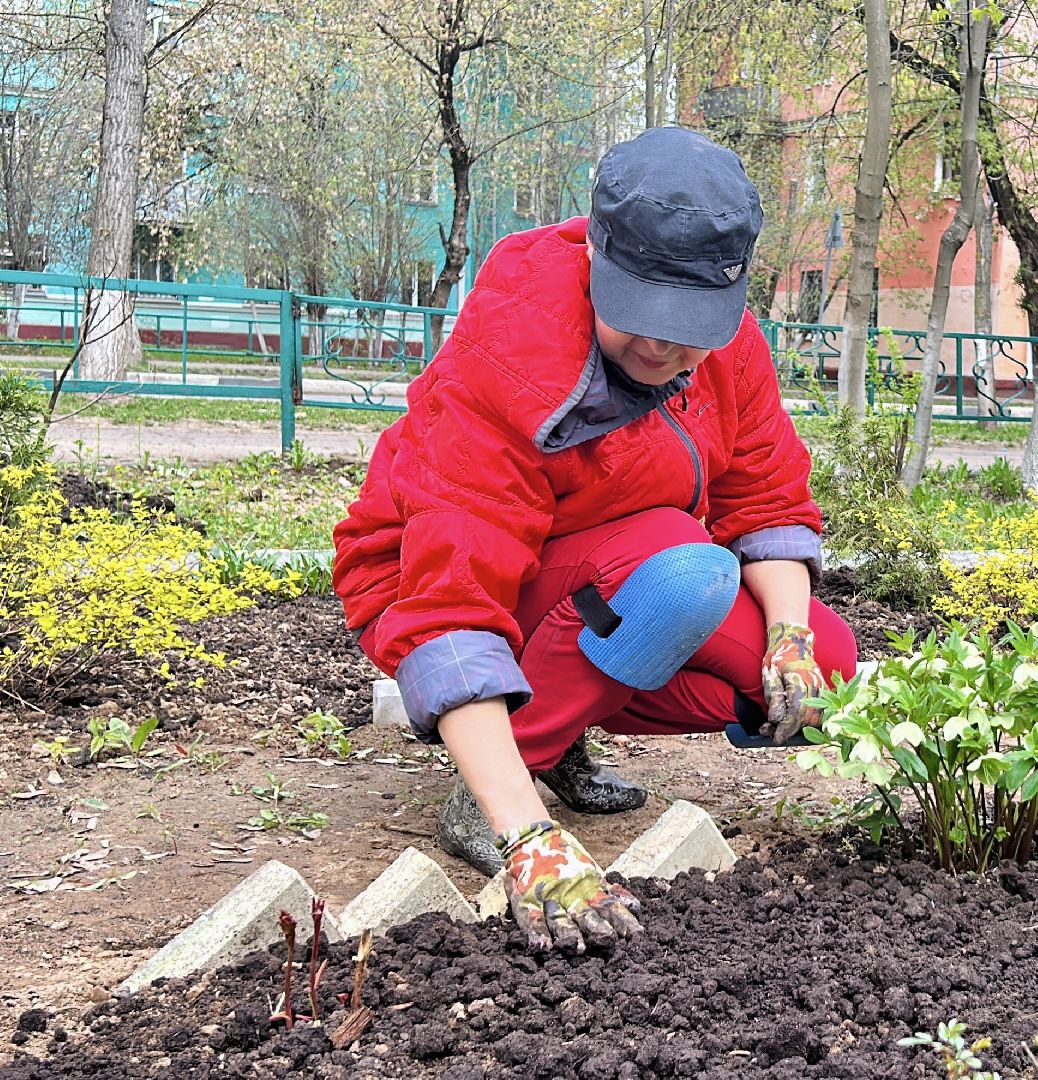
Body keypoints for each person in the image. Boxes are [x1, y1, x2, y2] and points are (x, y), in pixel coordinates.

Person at [332, 126, 858, 955]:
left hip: (617, 568)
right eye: (639, 313)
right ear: (597, 260)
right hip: (436, 574)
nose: (661, 345)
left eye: (689, 323)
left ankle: (560, 726)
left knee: (822, 663)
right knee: (679, 572)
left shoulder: (731, 351)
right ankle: (501, 789)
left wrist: (789, 637)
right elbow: (450, 600)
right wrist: (527, 839)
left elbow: (764, 493)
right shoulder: (513, 355)